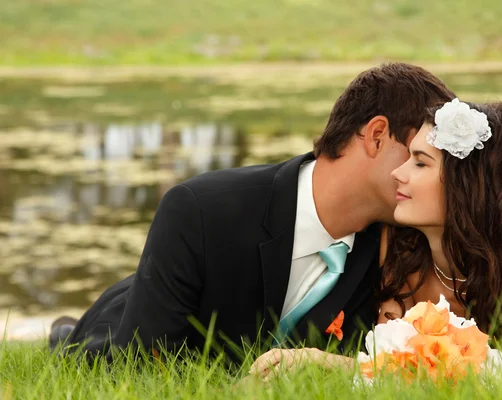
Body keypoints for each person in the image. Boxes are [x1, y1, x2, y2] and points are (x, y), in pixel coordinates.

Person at [49, 63, 455, 361]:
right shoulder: (202, 210)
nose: (428, 177)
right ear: (377, 135)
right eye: (418, 156)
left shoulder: (396, 245)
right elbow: (139, 365)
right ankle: (63, 332)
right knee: (80, 347)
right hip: (115, 328)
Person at [250, 99, 502, 377]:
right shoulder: (396, 252)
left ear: (469, 186)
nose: (397, 173)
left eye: (419, 163)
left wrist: (325, 361)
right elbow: (391, 368)